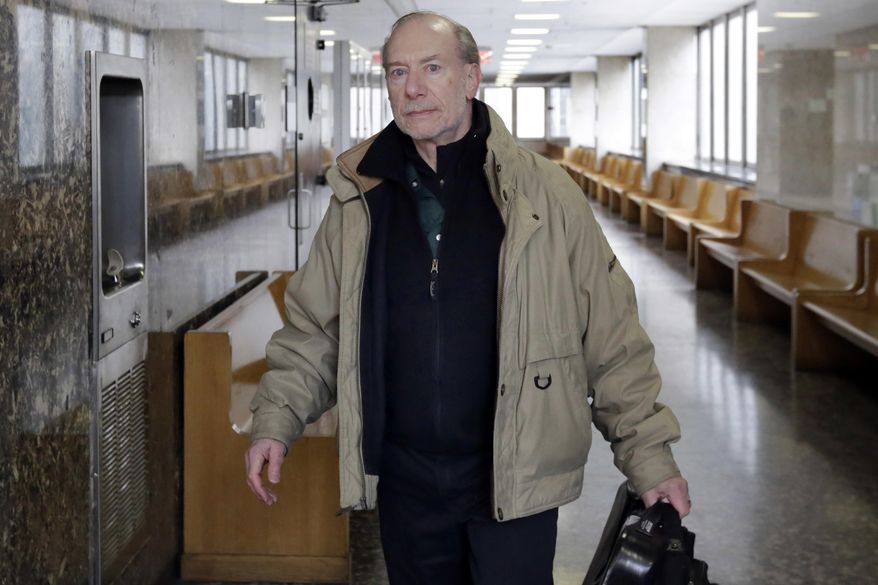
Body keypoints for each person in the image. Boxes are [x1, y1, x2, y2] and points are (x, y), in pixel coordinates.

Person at [245, 11, 690, 585]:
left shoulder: (544, 193)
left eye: (432, 68)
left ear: (471, 77)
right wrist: (275, 420)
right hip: (406, 480)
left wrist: (649, 457)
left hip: (515, 473)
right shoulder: (360, 197)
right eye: (398, 72)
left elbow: (611, 335)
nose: (413, 88)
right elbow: (316, 329)